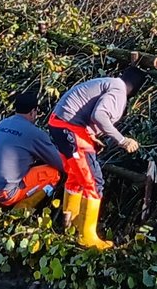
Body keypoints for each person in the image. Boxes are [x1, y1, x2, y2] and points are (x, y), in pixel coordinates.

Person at [47, 65, 150, 250]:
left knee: (76, 177)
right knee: (94, 182)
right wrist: (123, 140)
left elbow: (87, 113)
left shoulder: (108, 83)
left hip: (59, 125)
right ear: (136, 88)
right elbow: (99, 115)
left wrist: (92, 137)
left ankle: (70, 227)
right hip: (70, 128)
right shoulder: (119, 91)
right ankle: (87, 238)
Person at [0, 87, 73, 212]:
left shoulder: (3, 123)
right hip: (5, 194)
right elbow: (61, 164)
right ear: (33, 111)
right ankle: (20, 211)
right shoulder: (34, 133)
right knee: (53, 174)